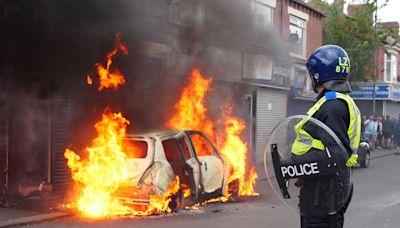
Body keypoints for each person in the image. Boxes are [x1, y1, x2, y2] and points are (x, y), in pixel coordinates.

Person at [289, 45, 361, 228]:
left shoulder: (332, 106)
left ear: (319, 73)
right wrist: (304, 172)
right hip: (320, 189)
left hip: (323, 195)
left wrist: (293, 165)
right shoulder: (334, 102)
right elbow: (324, 147)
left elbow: (336, 156)